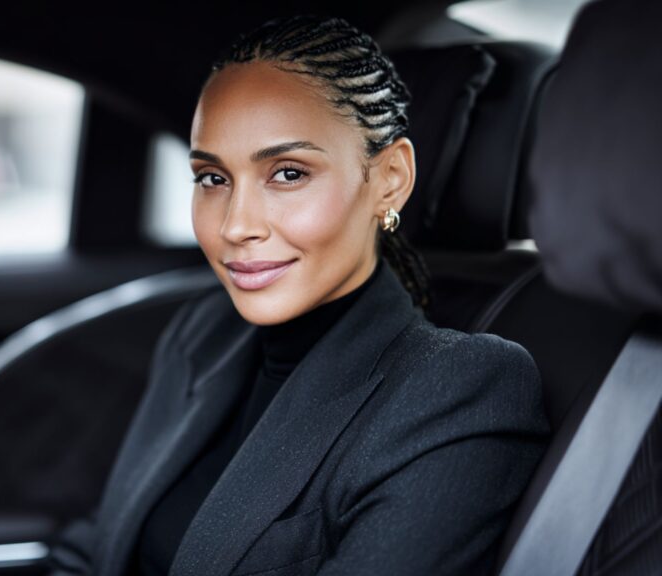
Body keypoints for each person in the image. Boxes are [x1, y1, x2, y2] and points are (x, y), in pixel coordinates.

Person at [48, 15, 549, 576]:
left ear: (389, 178)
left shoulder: (458, 391)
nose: (236, 225)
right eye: (213, 178)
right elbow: (95, 551)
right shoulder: (203, 332)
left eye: (288, 173)